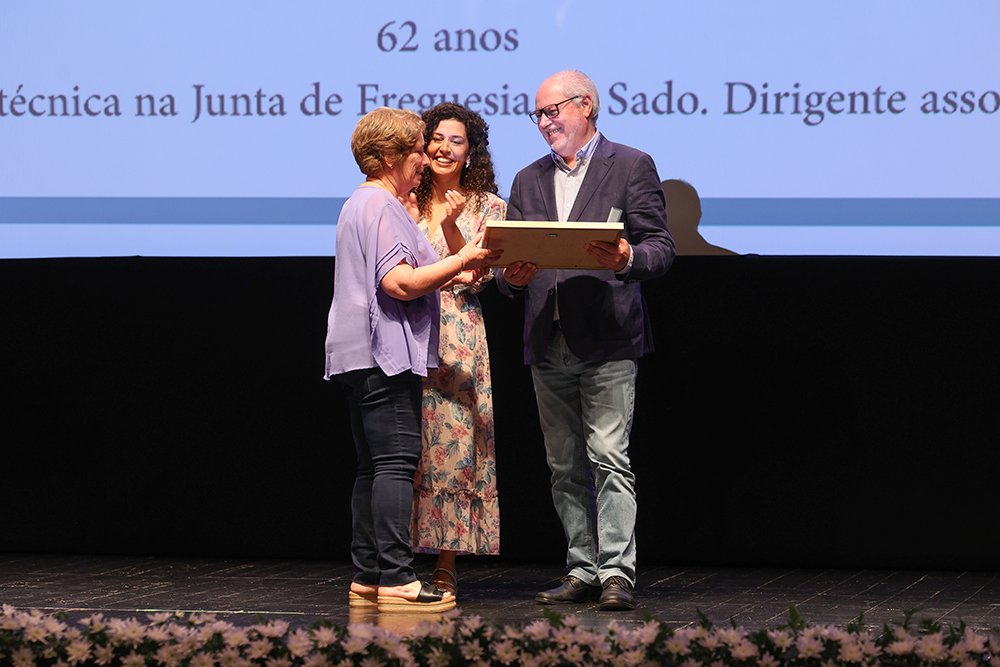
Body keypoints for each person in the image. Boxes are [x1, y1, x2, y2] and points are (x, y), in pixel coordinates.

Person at [494, 70, 675, 611]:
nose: (544, 122)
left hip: (607, 338)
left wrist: (627, 257)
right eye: (538, 114)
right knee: (563, 465)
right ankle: (581, 568)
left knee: (609, 457)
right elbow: (507, 268)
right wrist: (511, 279)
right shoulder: (527, 179)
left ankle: (617, 572)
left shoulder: (631, 165)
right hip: (545, 340)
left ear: (586, 106)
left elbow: (661, 247)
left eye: (552, 111)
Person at [324, 107, 501, 613]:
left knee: (372, 467)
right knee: (396, 464)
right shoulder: (383, 205)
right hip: (383, 354)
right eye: (418, 150)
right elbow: (399, 283)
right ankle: (399, 578)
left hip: (357, 354)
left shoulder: (359, 201)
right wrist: (461, 259)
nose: (426, 159)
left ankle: (369, 576)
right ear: (388, 156)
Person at [405, 103, 506, 598]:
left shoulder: (490, 207)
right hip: (405, 329)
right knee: (405, 447)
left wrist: (449, 223)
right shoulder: (402, 198)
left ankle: (446, 562)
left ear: (471, 153)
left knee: (454, 448)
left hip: (456, 335)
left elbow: (476, 274)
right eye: (437, 138)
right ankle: (395, 562)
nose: (444, 148)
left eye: (456, 141)